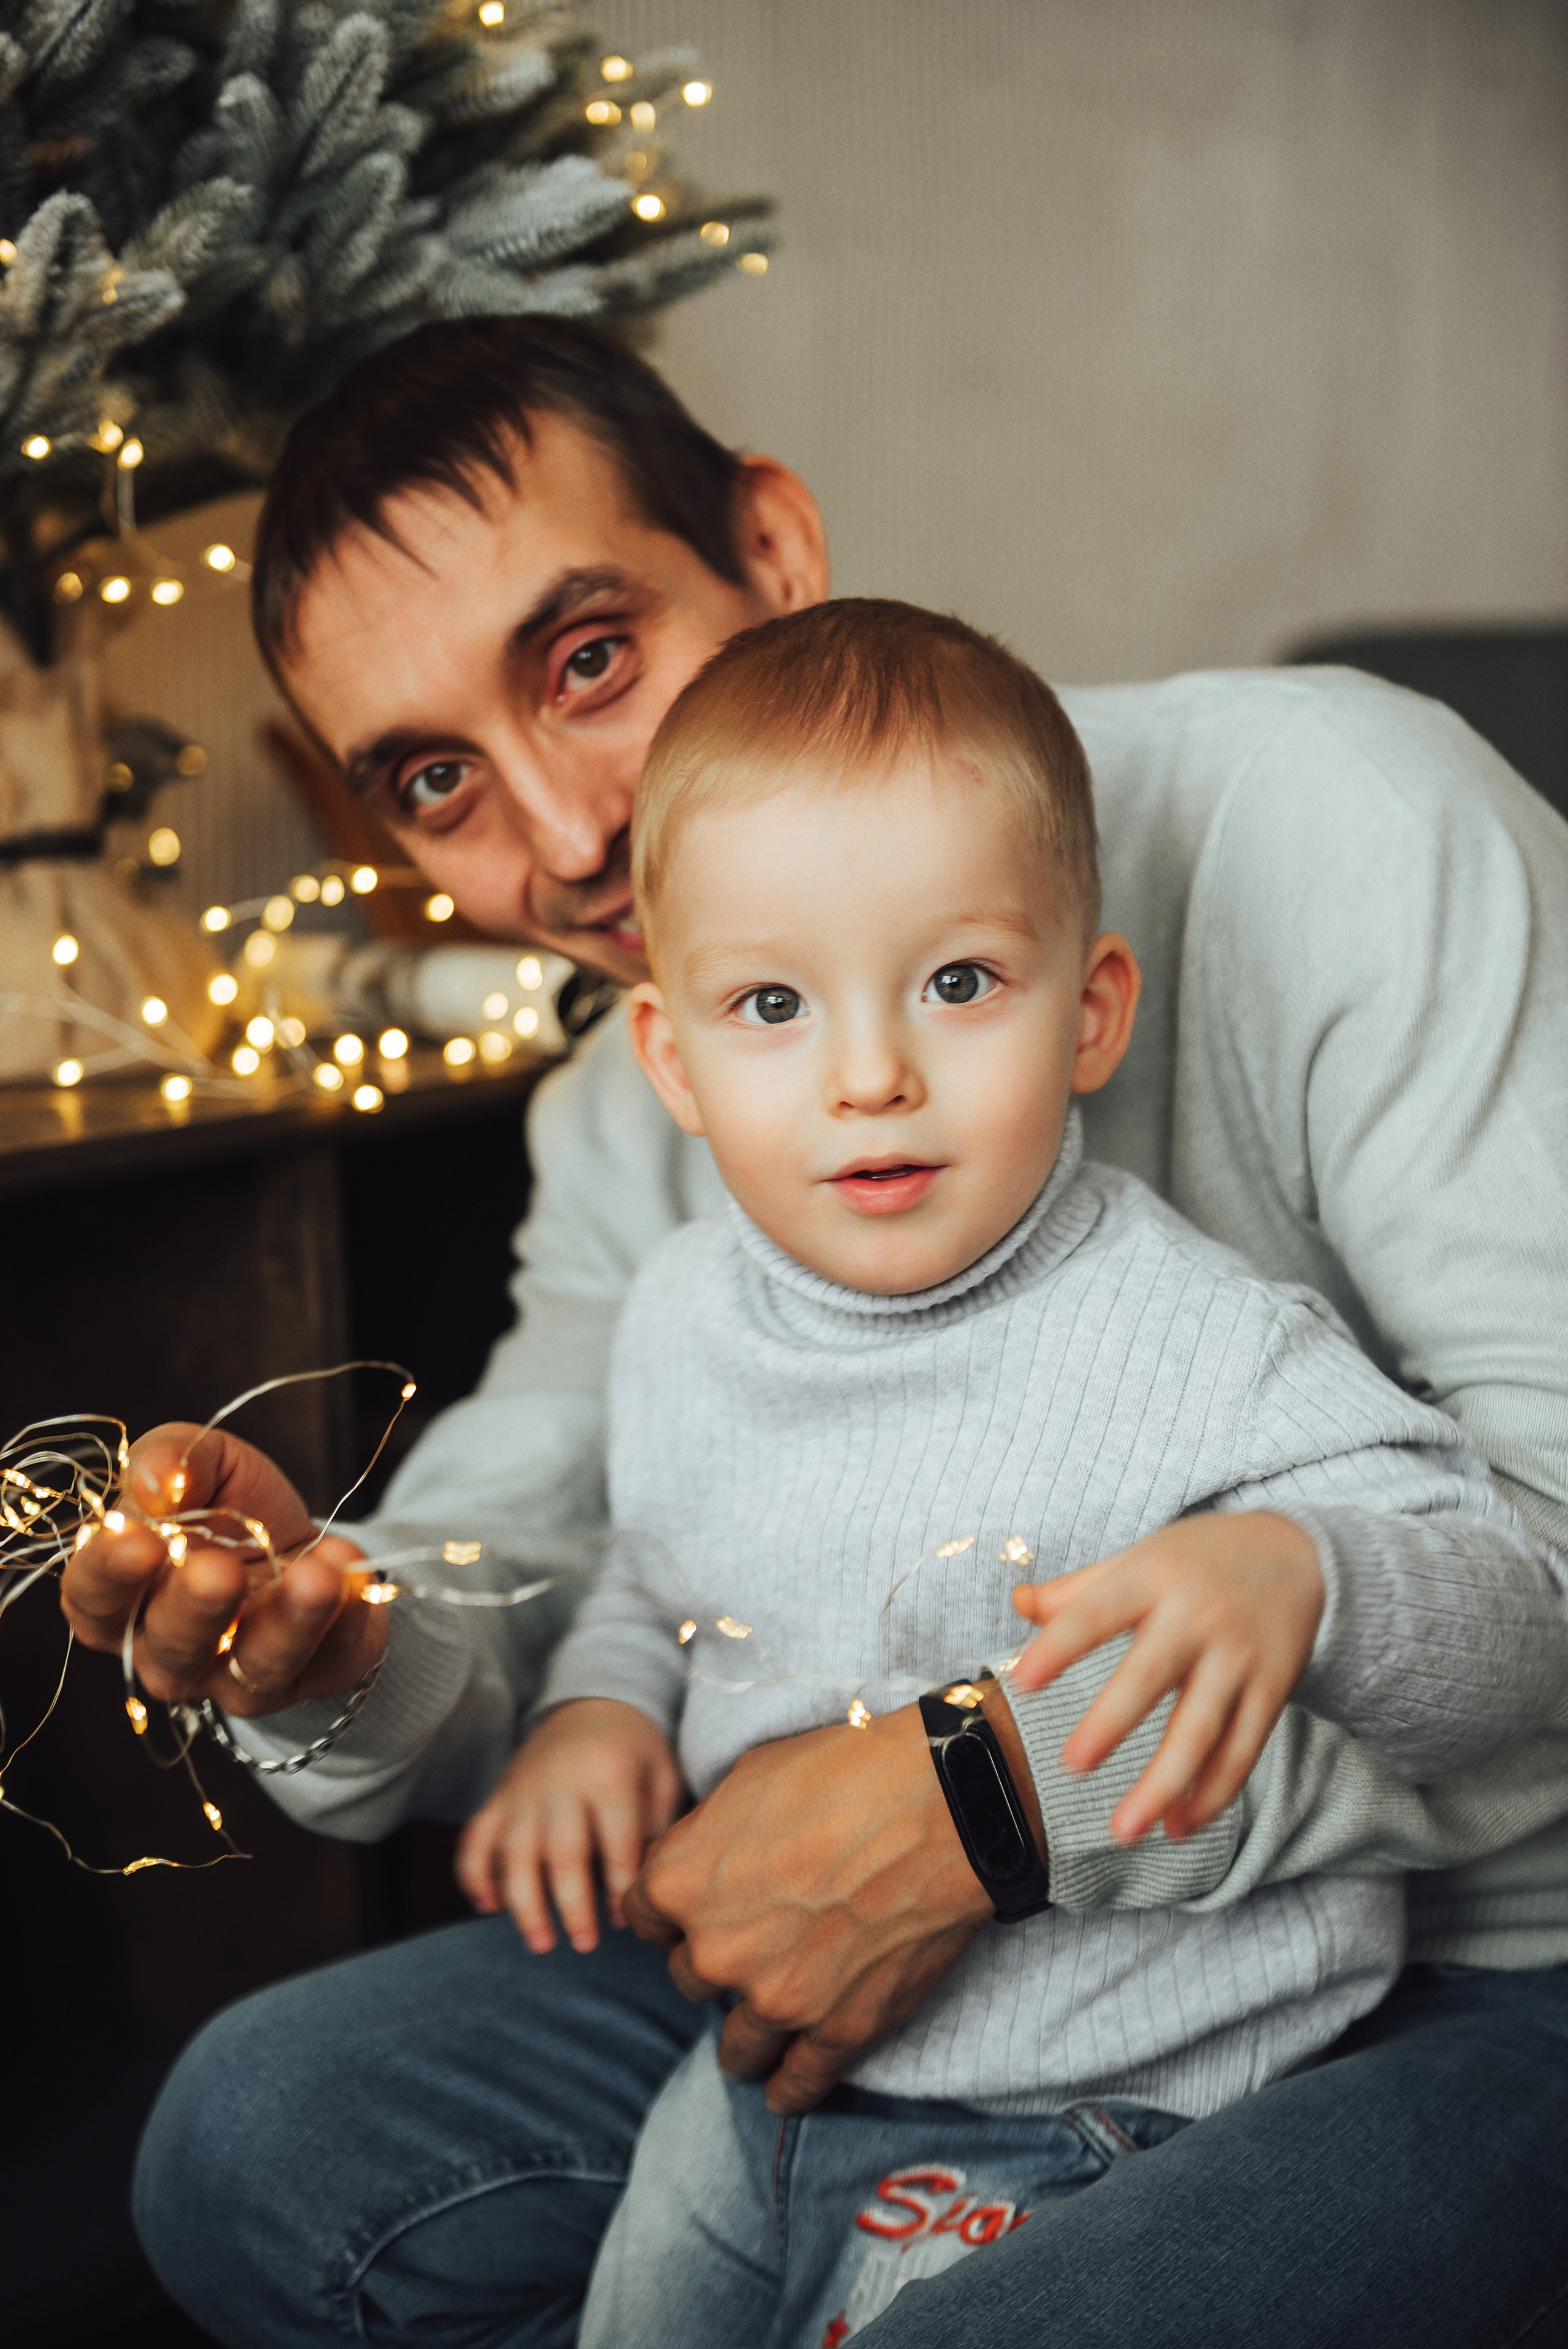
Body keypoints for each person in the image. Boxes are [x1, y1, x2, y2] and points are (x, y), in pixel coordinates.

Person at [61, 319, 1568, 2348]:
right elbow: (567, 1565)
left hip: (1484, 1957)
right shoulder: (636, 1102)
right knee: (251, 2138)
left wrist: (996, 1799)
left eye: (588, 657)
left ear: (771, 548)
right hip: (875, 2000)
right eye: (438, 782)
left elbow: (1527, 1559)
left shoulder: (1347, 820)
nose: (572, 838)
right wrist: (339, 1635)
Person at [510, 595, 1566, 2345]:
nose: (869, 1075)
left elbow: (1516, 1614)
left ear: (1091, 1012)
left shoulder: (1194, 1331)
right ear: (673, 1061)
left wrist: (1309, 1568)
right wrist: (598, 1707)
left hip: (1120, 2091)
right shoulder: (689, 1312)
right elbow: (668, 1558)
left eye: (958, 983)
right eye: (774, 1002)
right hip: (767, 2074)